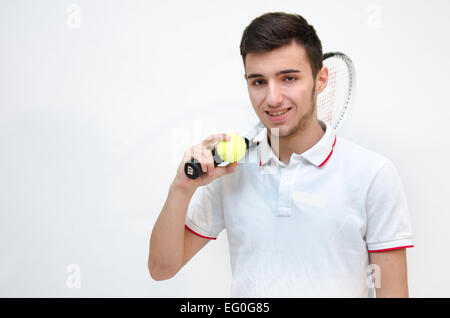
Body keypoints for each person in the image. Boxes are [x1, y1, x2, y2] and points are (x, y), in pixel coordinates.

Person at [148, 12, 414, 297]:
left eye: (288, 78)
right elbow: (162, 269)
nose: (272, 98)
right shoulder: (229, 172)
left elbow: (393, 293)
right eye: (259, 82)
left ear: (321, 79)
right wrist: (181, 188)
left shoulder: (373, 175)